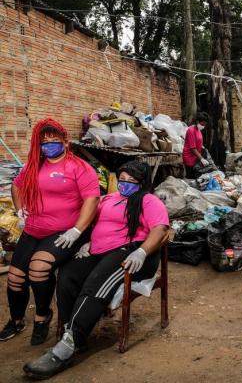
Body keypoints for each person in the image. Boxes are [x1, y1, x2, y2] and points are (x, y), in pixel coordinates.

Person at [23, 161, 169, 379]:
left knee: (96, 285)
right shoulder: (109, 198)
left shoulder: (149, 201)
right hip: (99, 250)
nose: (125, 184)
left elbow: (160, 229)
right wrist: (87, 241)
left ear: (142, 182)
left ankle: (69, 344)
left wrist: (141, 252)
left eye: (132, 181)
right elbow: (93, 220)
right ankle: (69, 332)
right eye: (122, 180)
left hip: (129, 254)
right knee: (67, 275)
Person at [0, 119, 100, 344]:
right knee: (15, 277)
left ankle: (42, 316)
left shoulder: (79, 167)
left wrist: (77, 230)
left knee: (38, 268)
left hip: (65, 232)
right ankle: (16, 320)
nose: (49, 146)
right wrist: (20, 211)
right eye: (44, 143)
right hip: (33, 230)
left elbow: (92, 200)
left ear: (65, 142)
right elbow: (16, 185)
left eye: (55, 141)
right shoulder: (34, 165)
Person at [182, 112, 209, 178]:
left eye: (205, 125)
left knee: (198, 177)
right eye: (202, 124)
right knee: (191, 178)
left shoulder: (199, 130)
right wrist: (202, 159)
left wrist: (202, 147)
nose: (203, 126)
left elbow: (198, 141)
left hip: (196, 157)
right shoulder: (191, 130)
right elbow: (193, 148)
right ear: (197, 121)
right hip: (189, 157)